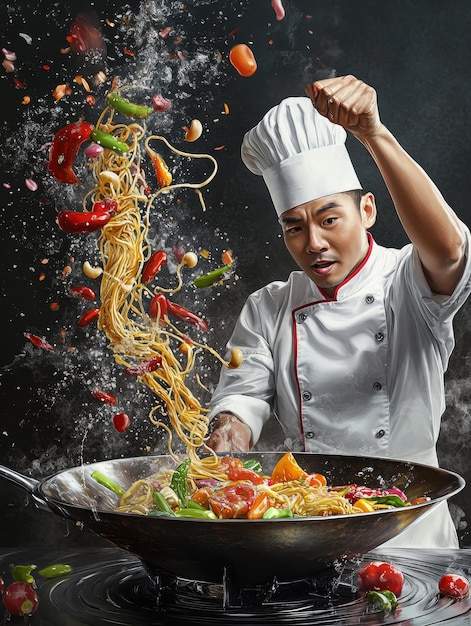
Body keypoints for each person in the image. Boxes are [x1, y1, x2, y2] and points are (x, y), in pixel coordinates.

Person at [206, 75, 471, 548]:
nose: (314, 244)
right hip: (306, 536)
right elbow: (240, 402)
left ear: (367, 209)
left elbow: (450, 250)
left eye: (330, 219)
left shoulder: (408, 283)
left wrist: (373, 133)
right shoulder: (269, 307)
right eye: (294, 228)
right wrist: (227, 438)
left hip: (412, 539)